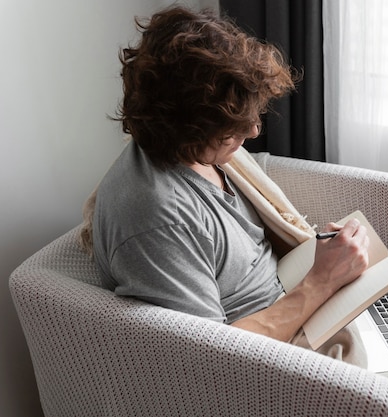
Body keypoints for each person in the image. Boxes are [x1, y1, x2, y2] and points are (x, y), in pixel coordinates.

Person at [84, 5, 370, 359]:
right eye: (232, 127)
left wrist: (324, 264)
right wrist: (322, 280)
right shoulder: (158, 218)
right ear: (187, 124)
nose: (253, 130)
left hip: (293, 296)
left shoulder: (199, 152)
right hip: (268, 354)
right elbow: (210, 357)